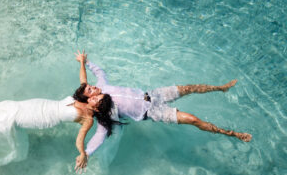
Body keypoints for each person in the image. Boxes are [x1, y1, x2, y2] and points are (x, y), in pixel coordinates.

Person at [72, 50, 252, 158]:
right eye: (90, 90)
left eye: (90, 86)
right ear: (90, 101)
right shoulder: (105, 114)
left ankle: (221, 88)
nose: (93, 86)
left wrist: (85, 62)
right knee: (193, 119)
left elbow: (94, 74)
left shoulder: (101, 86)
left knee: (190, 88)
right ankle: (232, 133)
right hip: (153, 112)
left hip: (153, 94)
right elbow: (99, 137)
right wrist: (86, 153)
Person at [0, 90, 115, 172]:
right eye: (96, 95)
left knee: (8, 121)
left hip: (42, 118)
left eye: (97, 100)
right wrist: (82, 62)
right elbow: (84, 81)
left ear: (99, 109)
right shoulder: (83, 97)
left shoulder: (88, 119)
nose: (94, 96)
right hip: (36, 104)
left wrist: (82, 153)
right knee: (7, 106)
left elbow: (80, 138)